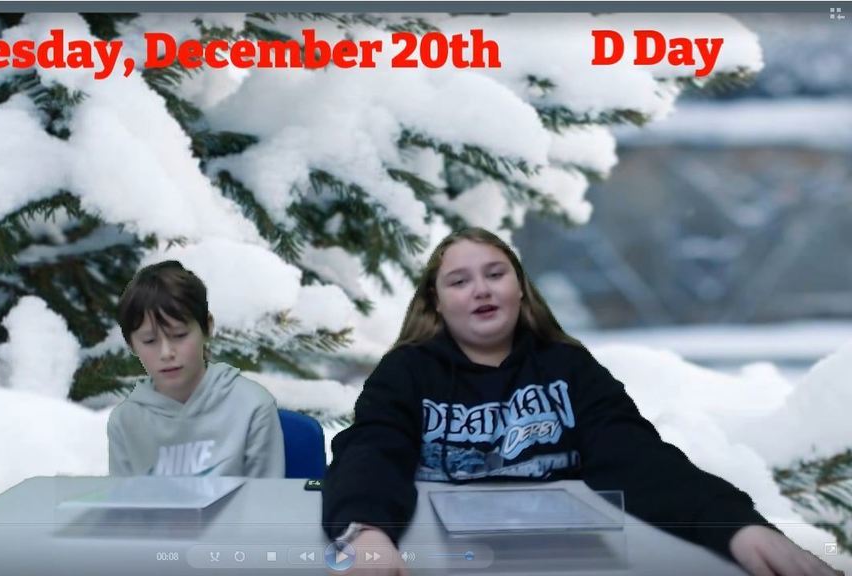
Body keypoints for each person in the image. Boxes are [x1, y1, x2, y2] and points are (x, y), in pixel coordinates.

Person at [322, 227, 837, 576]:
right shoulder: (408, 370)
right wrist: (366, 531)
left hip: (556, 559)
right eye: (459, 281)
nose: (481, 289)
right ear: (437, 301)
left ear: (520, 288)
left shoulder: (568, 367)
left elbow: (636, 456)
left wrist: (735, 528)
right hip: (437, 558)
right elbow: (373, 448)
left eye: (496, 273)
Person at [107, 260, 285, 478]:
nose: (166, 353)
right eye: (149, 340)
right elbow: (125, 508)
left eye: (180, 335)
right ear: (131, 345)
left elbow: (265, 503)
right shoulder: (125, 421)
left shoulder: (252, 406)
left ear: (207, 327)